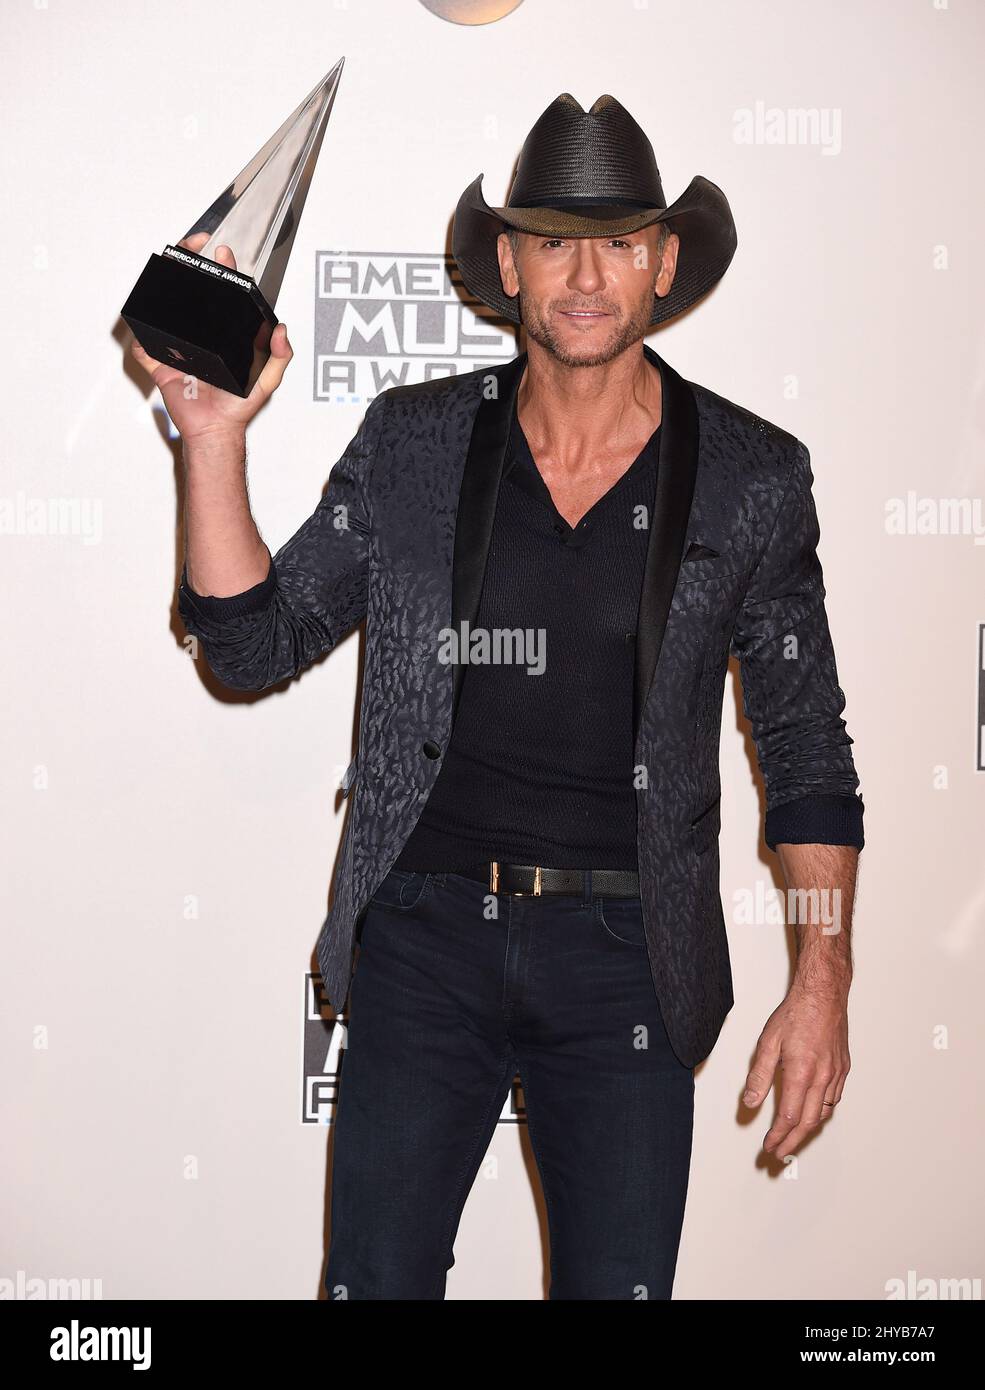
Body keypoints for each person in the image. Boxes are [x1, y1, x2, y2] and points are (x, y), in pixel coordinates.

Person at [132, 92, 864, 1300]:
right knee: (374, 1283)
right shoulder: (414, 441)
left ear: (664, 261)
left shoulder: (750, 476)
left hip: (630, 959)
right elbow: (256, 644)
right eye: (552, 238)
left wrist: (823, 979)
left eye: (621, 237)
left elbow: (807, 752)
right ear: (510, 263)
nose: (586, 272)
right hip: (424, 939)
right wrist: (211, 443)